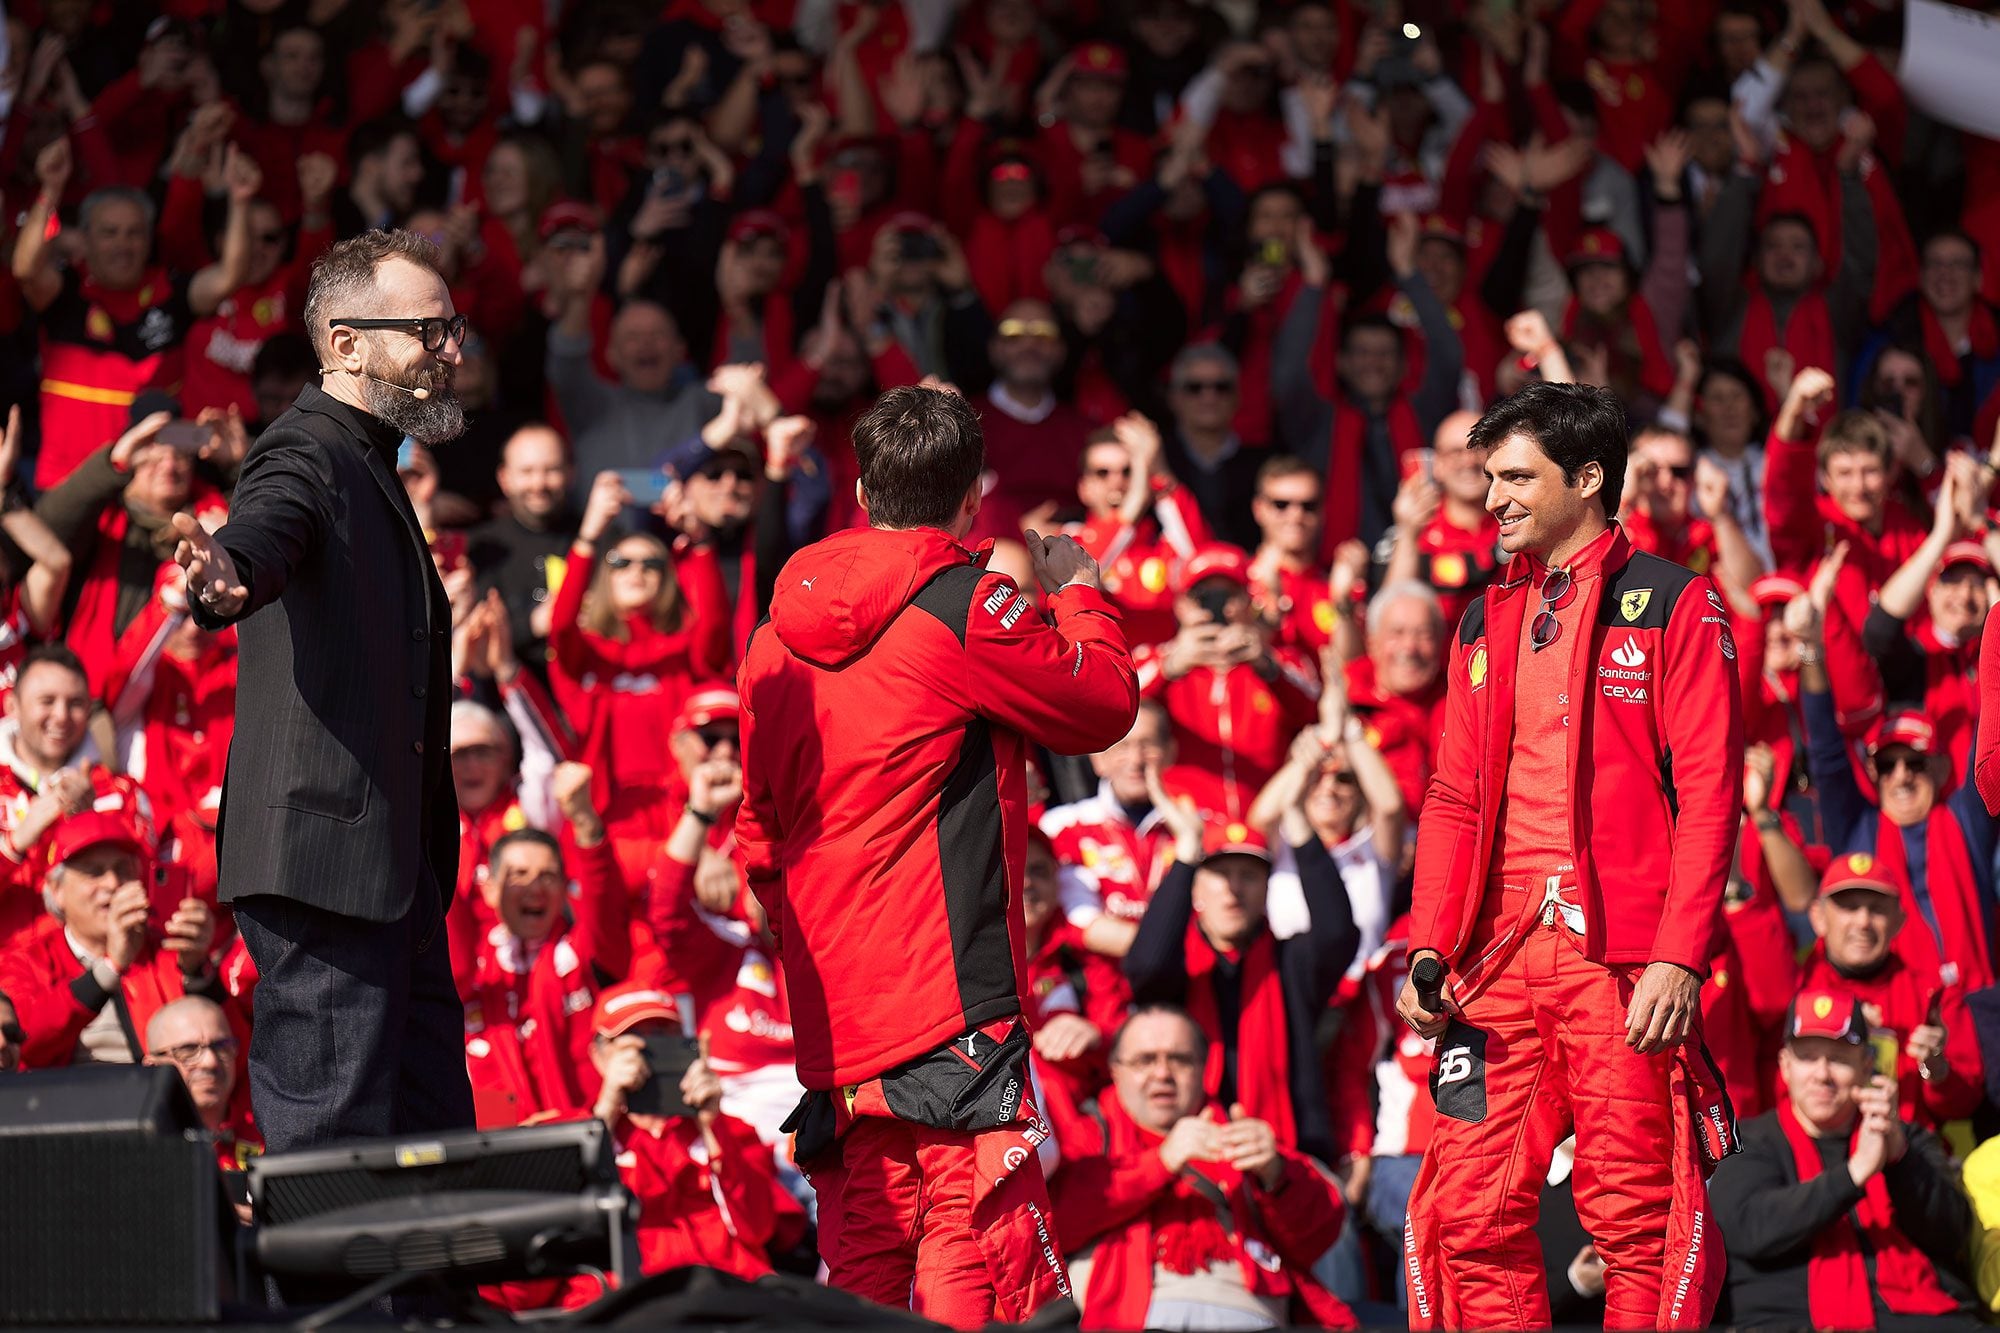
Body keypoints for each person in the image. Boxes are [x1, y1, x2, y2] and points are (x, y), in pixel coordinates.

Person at [736, 383, 1140, 1326]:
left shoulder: (770, 635)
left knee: (869, 1249)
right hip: (947, 988)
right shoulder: (963, 605)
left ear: (864, 493)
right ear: (972, 501)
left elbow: (758, 827)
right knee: (979, 1251)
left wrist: (812, 935)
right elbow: (1104, 704)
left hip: (835, 1006)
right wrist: (1077, 589)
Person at [1399, 381, 1744, 1330]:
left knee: (1633, 1214)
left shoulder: (1677, 601)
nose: (1494, 498)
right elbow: (1452, 797)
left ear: (1588, 478)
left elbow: (1714, 790)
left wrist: (1679, 952)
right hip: (1495, 957)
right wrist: (1429, 945)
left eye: (1517, 476)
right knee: (1467, 1210)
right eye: (1489, 478)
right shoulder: (1482, 619)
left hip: (1618, 958)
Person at [166, 229, 475, 1152]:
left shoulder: (370, 459)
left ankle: (429, 1307)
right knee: (335, 1161)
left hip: (392, 881)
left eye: (455, 328)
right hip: (328, 873)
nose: (451, 350)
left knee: (432, 1155)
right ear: (344, 343)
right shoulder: (304, 449)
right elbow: (269, 523)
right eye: (429, 329)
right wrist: (227, 574)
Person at [1049, 1004, 1355, 1329]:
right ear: (1116, 1070)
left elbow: (1320, 1236)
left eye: (1179, 1059)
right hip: (1132, 1314)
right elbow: (1053, 1227)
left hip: (1249, 1315)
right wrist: (1161, 1162)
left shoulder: (1242, 1132)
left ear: (1203, 1068)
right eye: (1144, 1060)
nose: (1162, 1073)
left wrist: (1277, 1174)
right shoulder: (1088, 1133)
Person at [1708, 989, 1982, 1331]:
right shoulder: (1749, 1141)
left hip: (1920, 1318)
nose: (1822, 1074)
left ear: (1866, 1065)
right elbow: (1748, 1229)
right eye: (1808, 1057)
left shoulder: (1904, 1139)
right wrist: (1853, 1175)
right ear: (1785, 1066)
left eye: (1838, 1058)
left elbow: (1952, 1234)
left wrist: (1898, 1158)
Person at [0, 806, 219, 1070]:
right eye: (94, 872)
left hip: (160, 1102)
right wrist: (110, 967)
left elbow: (232, 1054)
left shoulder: (169, 950)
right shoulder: (24, 962)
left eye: (123, 869)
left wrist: (199, 974)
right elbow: (25, 1045)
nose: (113, 883)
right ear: (56, 890)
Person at [1798, 852, 1985, 1132]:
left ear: (1899, 921)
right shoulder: (1793, 987)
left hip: (1905, 1153)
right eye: (1849, 907)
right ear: (1818, 917)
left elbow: (1964, 1104)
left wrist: (1936, 1068)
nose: (1863, 922)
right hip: (1815, 1157)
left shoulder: (1932, 996)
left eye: (1877, 909)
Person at [144, 995, 261, 1175]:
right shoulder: (140, 1148)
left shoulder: (269, 1130)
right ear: (153, 1067)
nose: (210, 1062)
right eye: (188, 1050)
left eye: (221, 1046)